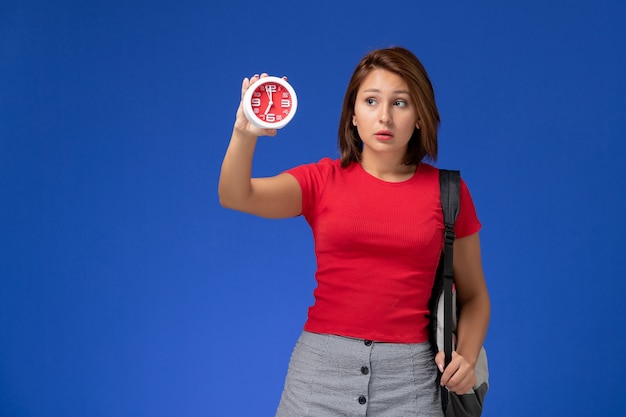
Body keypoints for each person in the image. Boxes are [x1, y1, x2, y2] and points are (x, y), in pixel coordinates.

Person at [218, 46, 490, 417]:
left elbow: (475, 296)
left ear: (421, 117)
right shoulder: (321, 181)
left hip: (412, 382)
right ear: (352, 116)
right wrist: (244, 132)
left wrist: (467, 358)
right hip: (319, 377)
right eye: (371, 100)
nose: (384, 117)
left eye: (400, 103)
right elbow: (236, 195)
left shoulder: (449, 194)